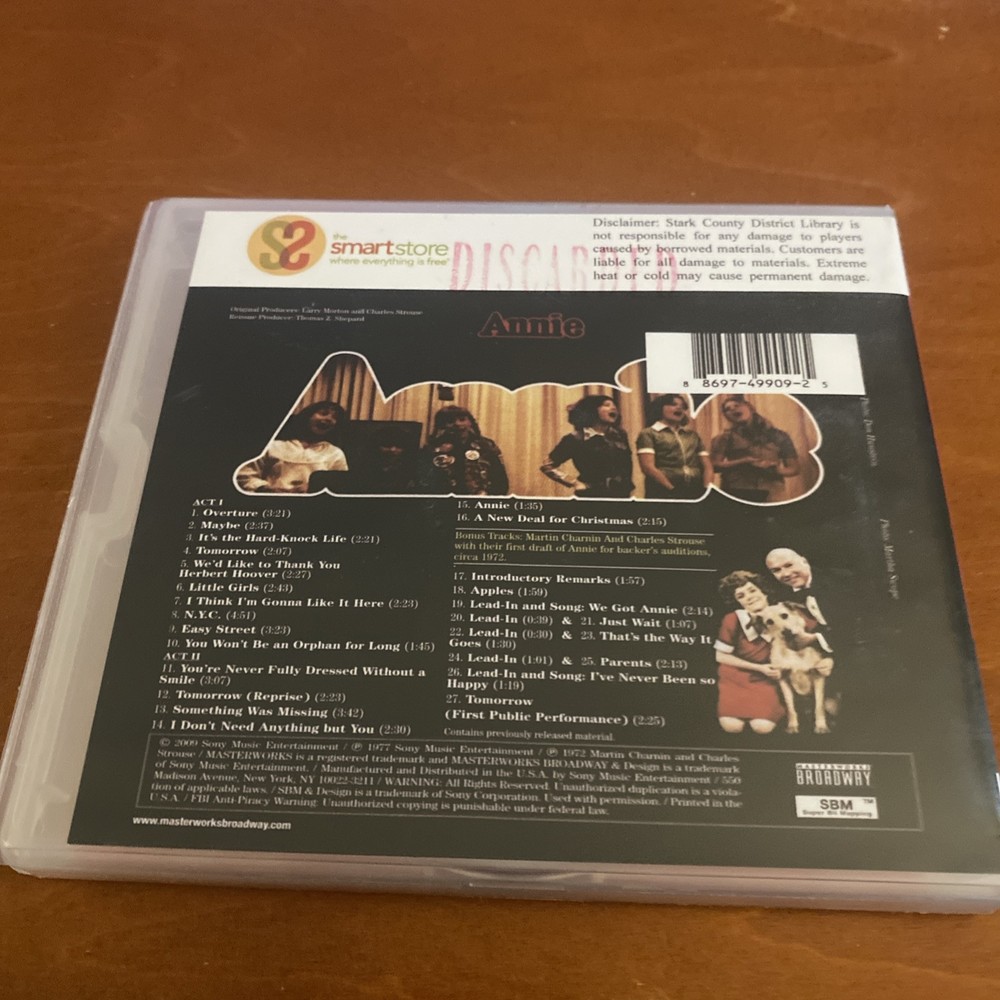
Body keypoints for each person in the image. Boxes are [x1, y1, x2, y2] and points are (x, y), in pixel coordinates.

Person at [714, 571, 785, 734]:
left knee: (762, 727)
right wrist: (759, 668)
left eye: (752, 590)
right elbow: (720, 656)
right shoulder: (733, 619)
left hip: (768, 680)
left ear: (763, 591)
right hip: (736, 678)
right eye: (741, 596)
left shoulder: (783, 612)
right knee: (732, 727)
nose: (749, 597)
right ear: (737, 601)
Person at [236, 401, 348, 493]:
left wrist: (314, 488)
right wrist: (268, 489)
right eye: (323, 413)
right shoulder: (273, 446)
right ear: (307, 416)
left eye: (335, 418)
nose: (329, 418)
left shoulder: (335, 453)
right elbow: (244, 476)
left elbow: (340, 484)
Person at [710, 394, 799, 503]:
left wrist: (775, 470)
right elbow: (713, 466)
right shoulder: (724, 438)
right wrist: (743, 462)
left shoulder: (779, 435)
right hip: (737, 492)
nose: (733, 409)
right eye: (727, 409)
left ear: (750, 408)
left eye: (737, 405)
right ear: (727, 416)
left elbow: (794, 468)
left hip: (772, 494)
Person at [541, 395, 633, 498]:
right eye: (607, 405)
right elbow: (547, 466)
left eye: (614, 405)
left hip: (621, 495)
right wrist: (574, 482)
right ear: (592, 410)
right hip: (591, 495)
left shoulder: (620, 435)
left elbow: (627, 466)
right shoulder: (575, 438)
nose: (613, 408)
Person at [419, 406, 509, 495]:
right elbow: (424, 481)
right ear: (442, 425)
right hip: (444, 501)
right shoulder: (433, 448)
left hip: (480, 501)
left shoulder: (486, 446)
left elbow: (500, 480)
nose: (457, 424)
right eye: (450, 421)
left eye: (462, 419)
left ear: (470, 422)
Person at [635, 394, 712, 499]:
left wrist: (706, 489)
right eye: (673, 404)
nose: (679, 408)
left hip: (694, 491)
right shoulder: (648, 433)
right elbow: (648, 467)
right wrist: (671, 489)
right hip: (663, 492)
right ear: (660, 408)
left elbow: (707, 466)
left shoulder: (692, 435)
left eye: (683, 406)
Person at [352, 425, 418, 494]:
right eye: (387, 445)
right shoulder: (363, 468)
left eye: (399, 446)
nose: (393, 449)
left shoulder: (411, 470)